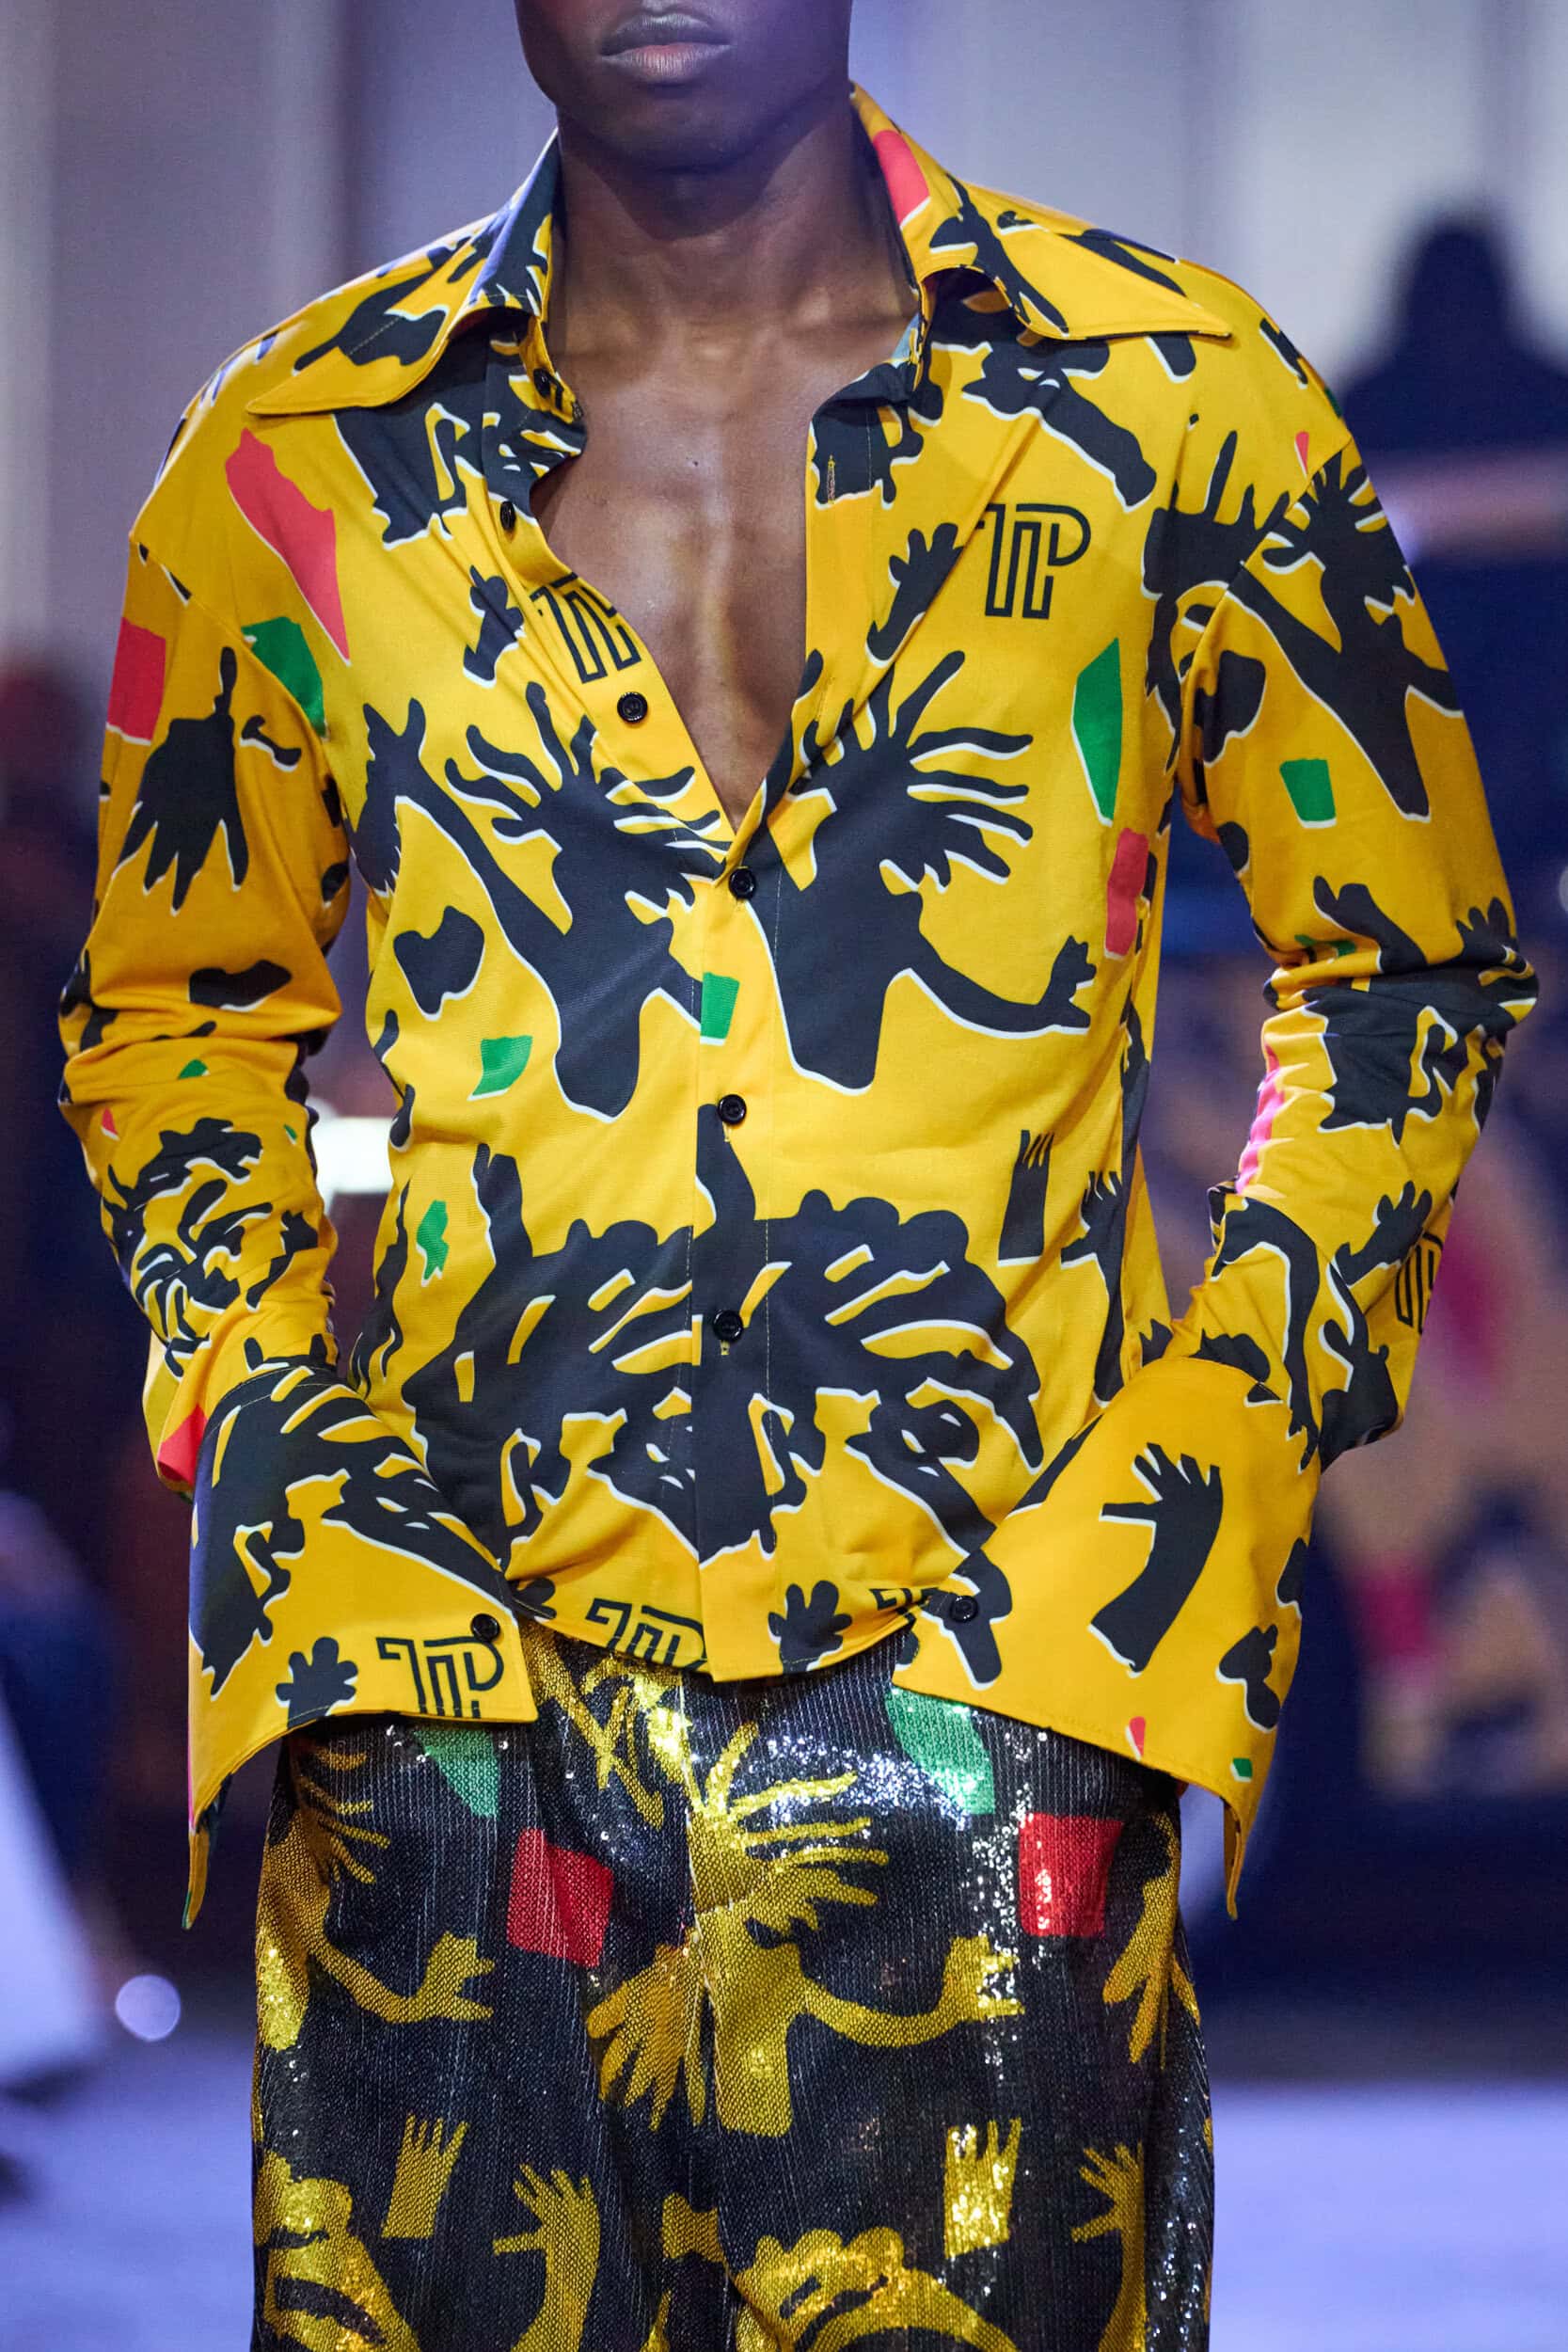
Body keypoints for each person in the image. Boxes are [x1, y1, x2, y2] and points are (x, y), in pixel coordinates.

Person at [59, 5, 1532, 2344]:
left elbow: (1404, 964)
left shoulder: (1172, 402)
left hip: (994, 1677)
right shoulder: (299, 455)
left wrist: (1199, 1474)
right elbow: (168, 1017)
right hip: (454, 1700)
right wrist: (297, 1488)